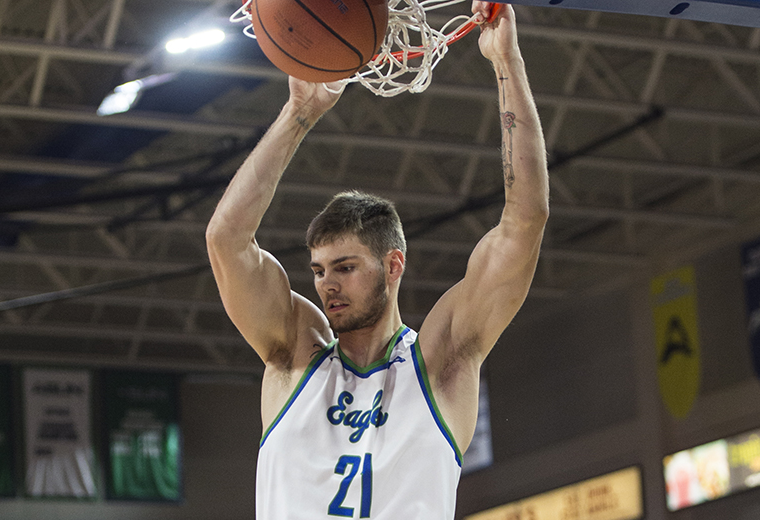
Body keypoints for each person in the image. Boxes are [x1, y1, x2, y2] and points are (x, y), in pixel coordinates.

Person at [205, 1, 548, 517]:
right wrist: (298, 114)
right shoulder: (293, 356)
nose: (326, 287)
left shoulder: (438, 363)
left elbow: (526, 222)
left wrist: (506, 62)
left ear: (393, 266)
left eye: (345, 267)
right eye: (319, 271)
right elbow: (225, 239)